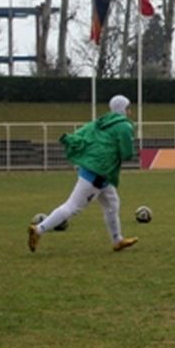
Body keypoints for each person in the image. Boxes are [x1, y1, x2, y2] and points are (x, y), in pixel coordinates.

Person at [28, 94, 138, 253]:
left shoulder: (103, 121)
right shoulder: (124, 126)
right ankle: (38, 229)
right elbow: (127, 153)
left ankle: (117, 240)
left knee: (112, 204)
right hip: (98, 173)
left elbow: (85, 132)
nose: (130, 112)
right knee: (72, 207)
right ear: (123, 109)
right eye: (128, 108)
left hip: (94, 168)